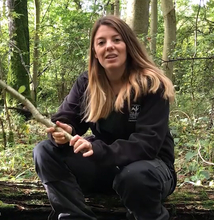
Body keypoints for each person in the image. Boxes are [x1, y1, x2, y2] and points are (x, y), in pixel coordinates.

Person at [33, 15, 176, 220]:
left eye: (116, 40)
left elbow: (147, 145)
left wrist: (98, 149)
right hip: (106, 166)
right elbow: (67, 117)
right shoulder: (87, 83)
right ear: (95, 52)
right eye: (101, 42)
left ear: (128, 45)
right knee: (45, 150)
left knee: (134, 176)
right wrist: (65, 130)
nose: (109, 46)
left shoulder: (152, 85)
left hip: (151, 170)